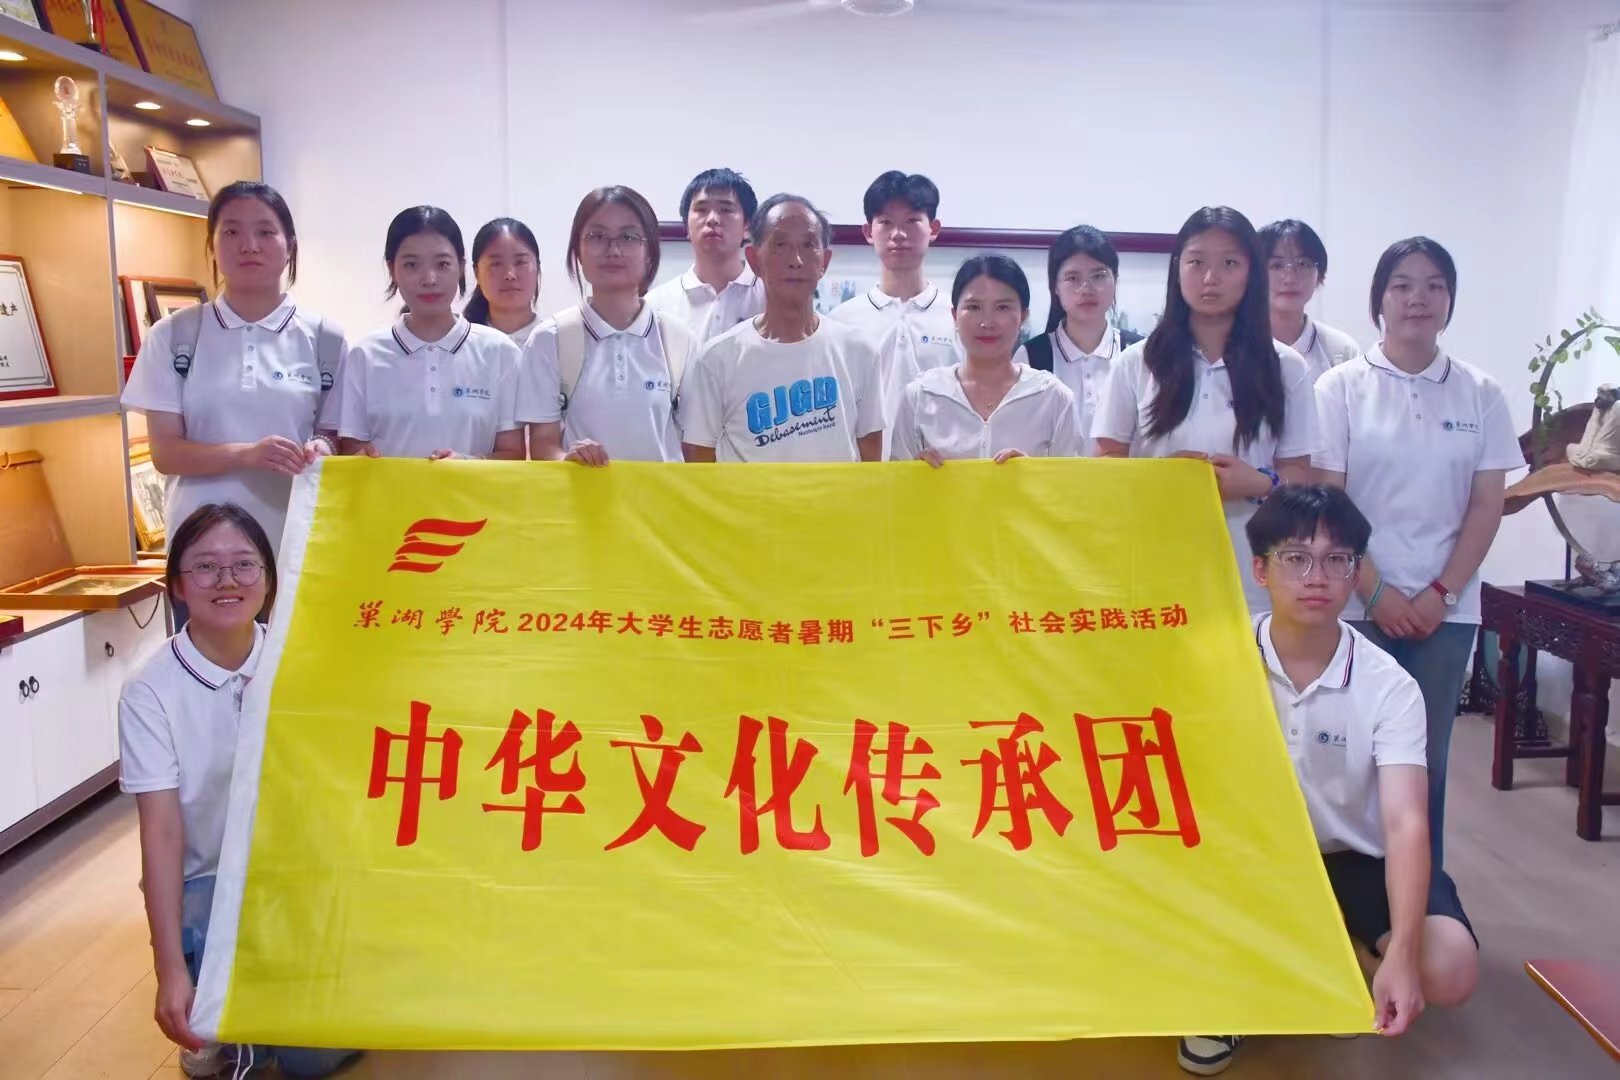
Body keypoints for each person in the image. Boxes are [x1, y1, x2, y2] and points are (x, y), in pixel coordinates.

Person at [1178, 485, 1478, 1075]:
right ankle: (1238, 990)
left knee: (1448, 969)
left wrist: (1402, 956)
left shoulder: (1388, 685)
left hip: (1349, 859)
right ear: (1260, 570)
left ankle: (1338, 956)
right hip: (1243, 858)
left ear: (1356, 573)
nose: (1316, 577)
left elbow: (1406, 822)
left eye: (1337, 559)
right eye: (1295, 558)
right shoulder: (1215, 656)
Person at [119, 503, 361, 1079]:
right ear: (177, 585)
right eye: (205, 566)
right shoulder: (149, 690)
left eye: (244, 565)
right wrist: (168, 970)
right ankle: (204, 980)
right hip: (205, 884)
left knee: (313, 1061)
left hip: (293, 880)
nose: (227, 580)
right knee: (220, 1038)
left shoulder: (300, 659)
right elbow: (162, 833)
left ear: (270, 580)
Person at [1313, 237, 1524, 867]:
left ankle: (1421, 891)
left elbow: (1486, 505)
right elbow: (1331, 502)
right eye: (1402, 285)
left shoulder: (1480, 392)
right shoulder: (1339, 388)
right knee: (1346, 758)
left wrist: (1441, 593)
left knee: (1424, 761)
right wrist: (1375, 590)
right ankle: (1349, 895)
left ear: (1450, 300)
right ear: (1379, 299)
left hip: (1446, 612)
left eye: (1434, 286)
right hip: (1355, 606)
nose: (1418, 298)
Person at [1092, 206, 1315, 614]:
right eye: (1197, 262)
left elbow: (1300, 475)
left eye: (1229, 263)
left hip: (1252, 571)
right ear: (1178, 269)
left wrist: (1259, 482)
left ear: (1251, 273)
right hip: (1156, 565)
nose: (1211, 278)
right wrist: (1162, 478)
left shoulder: (1286, 367)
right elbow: (1105, 462)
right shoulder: (1137, 362)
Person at [121, 181, 343, 556]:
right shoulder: (174, 335)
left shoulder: (326, 339)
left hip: (296, 540)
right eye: (232, 232)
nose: (249, 245)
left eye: (265, 232)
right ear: (211, 245)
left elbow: (335, 437)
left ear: (290, 245)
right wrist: (245, 455)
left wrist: (322, 447)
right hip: (200, 544)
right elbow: (166, 453)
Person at [679, 193, 883, 463]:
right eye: (780, 245)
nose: (795, 260)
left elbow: (870, 454)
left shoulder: (859, 351)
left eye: (808, 245)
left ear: (824, 262)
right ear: (754, 259)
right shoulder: (717, 358)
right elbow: (699, 457)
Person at [334, 206, 524, 460]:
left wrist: (469, 463)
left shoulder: (500, 352)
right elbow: (350, 451)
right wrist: (362, 456)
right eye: (411, 265)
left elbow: (514, 455)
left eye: (443, 264)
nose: (429, 279)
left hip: (470, 489)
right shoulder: (365, 355)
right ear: (392, 269)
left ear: (461, 267)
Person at [519, 186, 692, 465]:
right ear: (578, 251)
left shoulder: (679, 339)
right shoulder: (549, 339)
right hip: (583, 494)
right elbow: (543, 446)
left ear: (649, 253)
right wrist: (568, 459)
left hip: (659, 494)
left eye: (628, 237)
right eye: (597, 236)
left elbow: (694, 449)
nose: (613, 250)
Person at [890, 255, 1079, 463]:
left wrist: (1034, 474)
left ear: (1023, 316)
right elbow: (896, 481)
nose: (987, 323)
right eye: (973, 307)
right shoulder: (920, 396)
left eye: (1002, 307)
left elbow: (1072, 482)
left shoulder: (1053, 398)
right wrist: (914, 472)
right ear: (954, 315)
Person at [827, 171, 960, 453]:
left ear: (933, 228)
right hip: (863, 471)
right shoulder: (842, 321)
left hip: (940, 470)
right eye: (886, 222)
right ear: (868, 232)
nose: (898, 234)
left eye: (912, 221)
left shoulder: (958, 317)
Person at [1016, 225, 1143, 454]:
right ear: (1055, 286)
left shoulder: (1139, 353)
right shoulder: (1031, 357)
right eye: (1072, 278)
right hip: (1054, 478)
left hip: (1127, 477)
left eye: (1099, 276)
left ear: (1115, 280)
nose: (1086, 289)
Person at [645, 167, 764, 344]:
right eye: (701, 210)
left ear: (747, 226)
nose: (712, 219)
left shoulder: (771, 297)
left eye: (725, 210)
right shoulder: (656, 305)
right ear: (687, 226)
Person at [1258, 219, 1361, 383]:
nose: (1290, 278)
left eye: (1303, 264)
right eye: (1276, 265)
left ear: (1319, 275)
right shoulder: (1235, 346)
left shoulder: (1341, 350)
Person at [463, 216, 542, 343]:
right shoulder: (464, 343)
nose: (510, 275)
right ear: (477, 273)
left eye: (520, 262)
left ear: (537, 268)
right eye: (496, 264)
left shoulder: (556, 340)